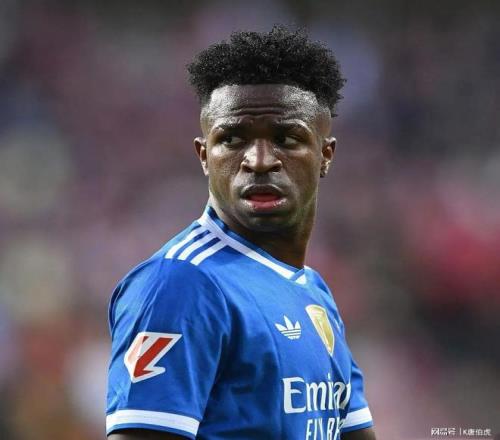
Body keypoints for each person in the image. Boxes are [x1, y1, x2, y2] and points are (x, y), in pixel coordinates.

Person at [106, 26, 376, 440]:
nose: (260, 160)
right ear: (204, 156)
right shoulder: (182, 284)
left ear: (325, 154)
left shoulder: (312, 291)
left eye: (287, 138)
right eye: (232, 139)